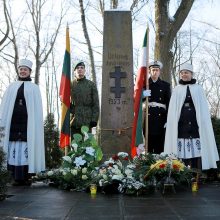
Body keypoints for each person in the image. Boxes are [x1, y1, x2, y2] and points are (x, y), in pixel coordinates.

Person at [164, 63, 219, 170]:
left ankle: (195, 175)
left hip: (195, 126)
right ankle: (183, 175)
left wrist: (202, 122)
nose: (184, 75)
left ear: (191, 74)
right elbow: (172, 110)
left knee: (196, 153)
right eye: (182, 73)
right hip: (181, 126)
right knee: (181, 153)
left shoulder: (198, 89)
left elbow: (202, 108)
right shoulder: (177, 89)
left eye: (187, 72)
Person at [0, 58, 45, 185]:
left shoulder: (34, 88)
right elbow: (5, 106)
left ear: (30, 71)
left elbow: (36, 109)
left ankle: (26, 176)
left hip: (27, 124)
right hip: (13, 123)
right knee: (13, 148)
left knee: (26, 148)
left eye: (25, 69)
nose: (23, 71)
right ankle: (14, 176)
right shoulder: (11, 87)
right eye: (21, 69)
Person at [142, 61, 171, 154]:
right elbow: (137, 100)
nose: (155, 72)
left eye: (157, 70)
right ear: (149, 71)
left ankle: (159, 166)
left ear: (159, 72)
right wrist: (143, 95)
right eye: (153, 70)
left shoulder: (165, 85)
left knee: (160, 145)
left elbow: (168, 103)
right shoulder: (144, 84)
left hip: (160, 119)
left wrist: (167, 120)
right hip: (147, 117)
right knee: (148, 145)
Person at [70, 61, 99, 136]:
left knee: (87, 146)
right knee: (74, 146)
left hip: (87, 121)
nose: (80, 69)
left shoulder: (91, 85)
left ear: (84, 71)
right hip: (74, 121)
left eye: (82, 68)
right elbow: (65, 103)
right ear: (74, 71)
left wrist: (94, 120)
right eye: (77, 68)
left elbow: (96, 103)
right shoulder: (70, 85)